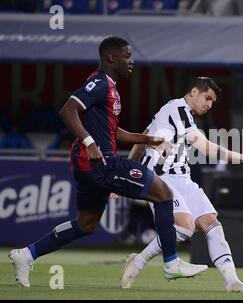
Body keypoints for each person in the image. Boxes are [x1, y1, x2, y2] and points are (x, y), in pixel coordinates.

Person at [8, 36, 207, 288]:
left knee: (86, 224)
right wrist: (90, 143)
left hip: (88, 166)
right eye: (127, 56)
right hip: (101, 164)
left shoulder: (110, 88)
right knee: (163, 193)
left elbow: (114, 132)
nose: (132, 61)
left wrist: (147, 138)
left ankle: (26, 254)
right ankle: (171, 262)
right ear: (110, 58)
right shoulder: (100, 83)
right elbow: (67, 110)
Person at [120, 76, 243, 293]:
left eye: (213, 101)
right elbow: (205, 148)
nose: (209, 105)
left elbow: (145, 137)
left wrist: (126, 171)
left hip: (182, 179)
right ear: (193, 92)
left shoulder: (171, 113)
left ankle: (232, 281)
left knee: (212, 225)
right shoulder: (178, 109)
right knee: (186, 227)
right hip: (161, 178)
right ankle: (142, 261)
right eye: (208, 98)